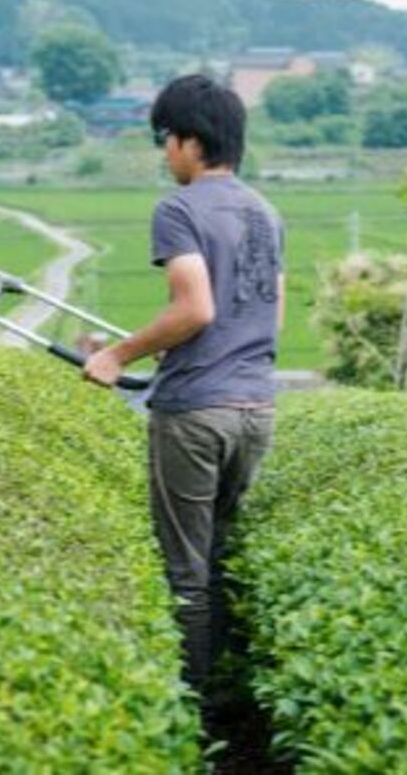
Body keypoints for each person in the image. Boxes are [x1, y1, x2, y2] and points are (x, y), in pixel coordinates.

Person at [84, 73, 285, 699]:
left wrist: (117, 355)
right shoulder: (265, 213)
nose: (164, 152)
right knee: (222, 551)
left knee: (184, 571)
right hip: (256, 410)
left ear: (190, 142)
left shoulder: (179, 208)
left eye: (163, 138)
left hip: (196, 414)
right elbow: (267, 315)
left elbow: (196, 309)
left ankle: (190, 710)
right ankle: (230, 689)